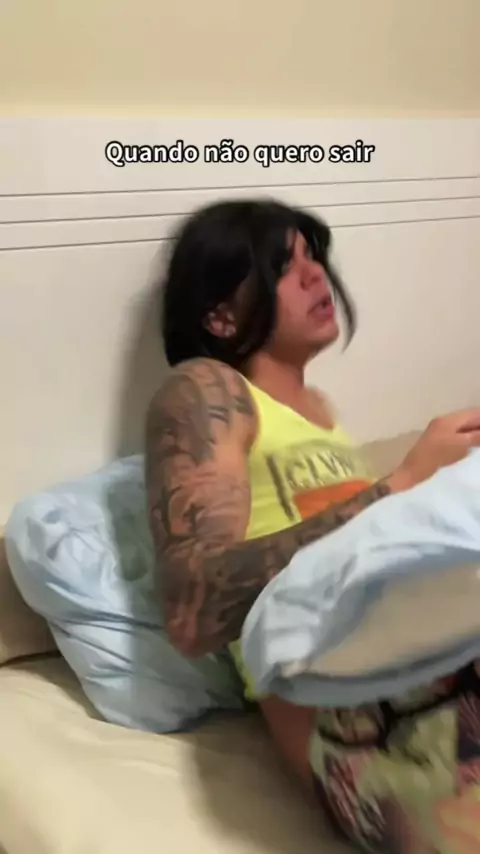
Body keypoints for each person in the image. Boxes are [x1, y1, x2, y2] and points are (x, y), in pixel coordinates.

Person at [145, 198, 480, 852]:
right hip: (363, 712)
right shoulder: (207, 391)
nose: (314, 274)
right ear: (219, 315)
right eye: (280, 266)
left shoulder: (325, 416)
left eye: (312, 256)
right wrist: (402, 484)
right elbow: (193, 611)